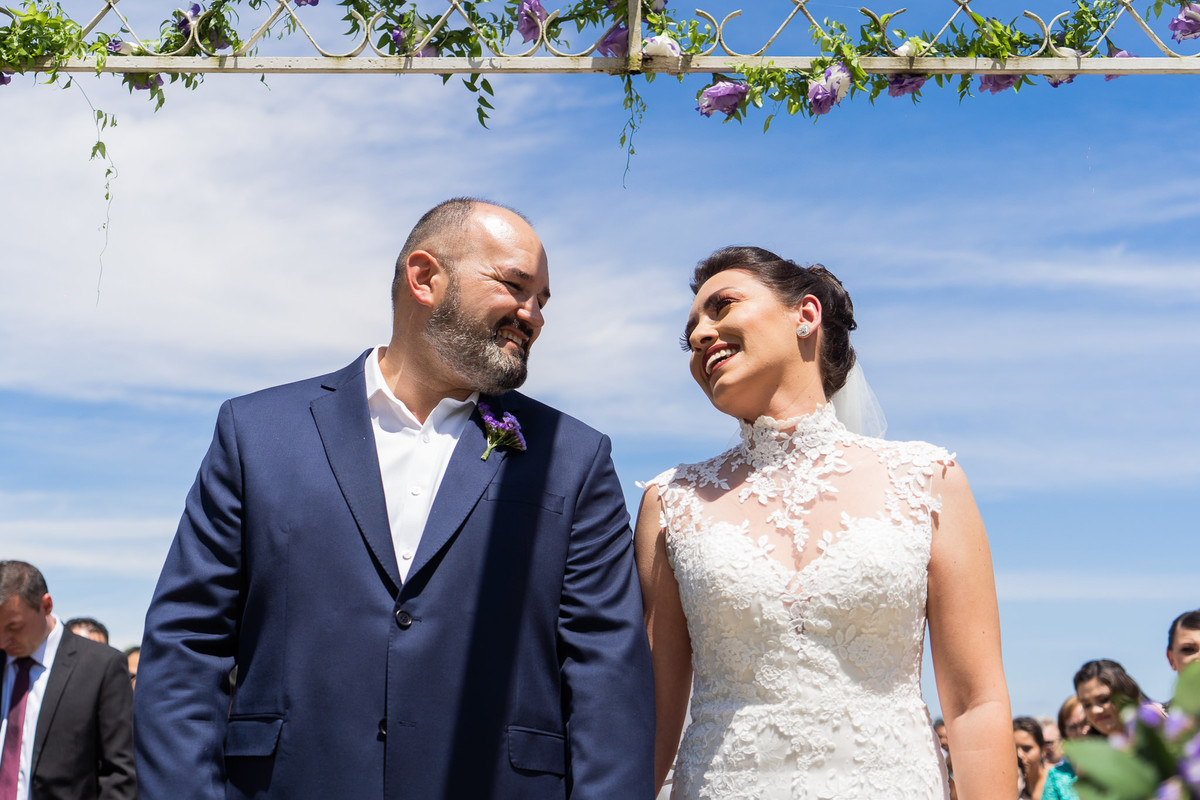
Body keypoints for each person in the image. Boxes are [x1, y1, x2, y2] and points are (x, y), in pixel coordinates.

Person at [134, 198, 655, 799]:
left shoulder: (574, 456)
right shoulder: (257, 432)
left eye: (542, 300)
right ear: (425, 277)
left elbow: (607, 677)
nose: (532, 315)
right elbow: (186, 643)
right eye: (515, 286)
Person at [635, 247, 1014, 799]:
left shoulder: (929, 479)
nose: (699, 334)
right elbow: (652, 710)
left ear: (805, 315)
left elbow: (975, 700)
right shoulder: (670, 501)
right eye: (690, 329)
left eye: (722, 307)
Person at [0, 561, 137, 800]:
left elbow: (120, 775)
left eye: (14, 627)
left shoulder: (101, 667)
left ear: (46, 605)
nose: (3, 641)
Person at [1073, 659, 1160, 736]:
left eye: (1104, 700)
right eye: (1086, 705)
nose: (1095, 710)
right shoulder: (1091, 749)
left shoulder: (1162, 729)